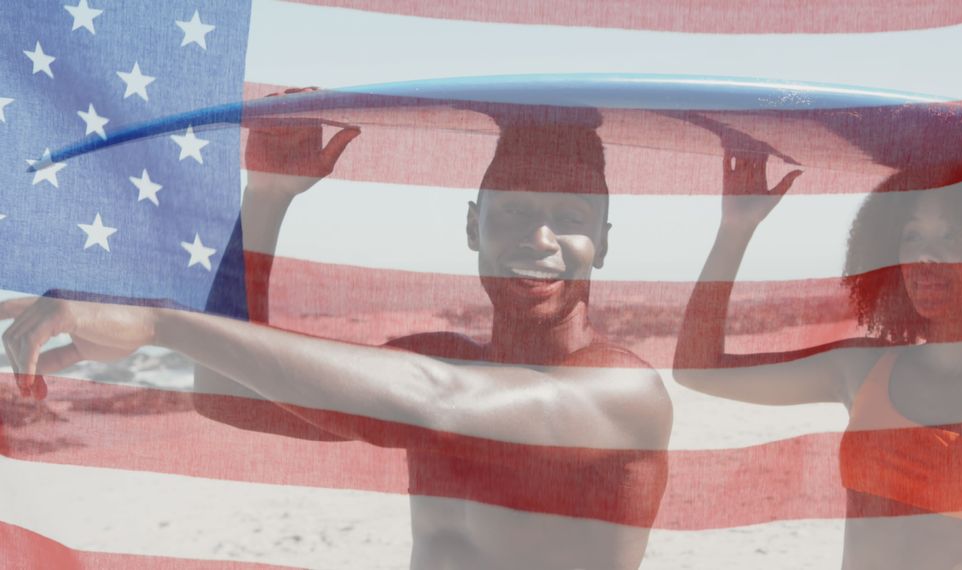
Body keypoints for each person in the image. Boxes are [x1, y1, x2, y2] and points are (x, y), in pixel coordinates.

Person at [1, 89, 672, 569]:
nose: (541, 238)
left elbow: (443, 401)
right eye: (513, 213)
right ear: (473, 228)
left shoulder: (622, 392)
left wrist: (159, 321)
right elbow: (228, 398)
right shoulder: (439, 364)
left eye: (572, 216)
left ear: (604, 243)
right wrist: (265, 198)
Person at [673, 94, 962, 569]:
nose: (923, 260)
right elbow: (698, 370)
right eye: (911, 236)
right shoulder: (863, 370)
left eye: (953, 237)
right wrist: (735, 228)